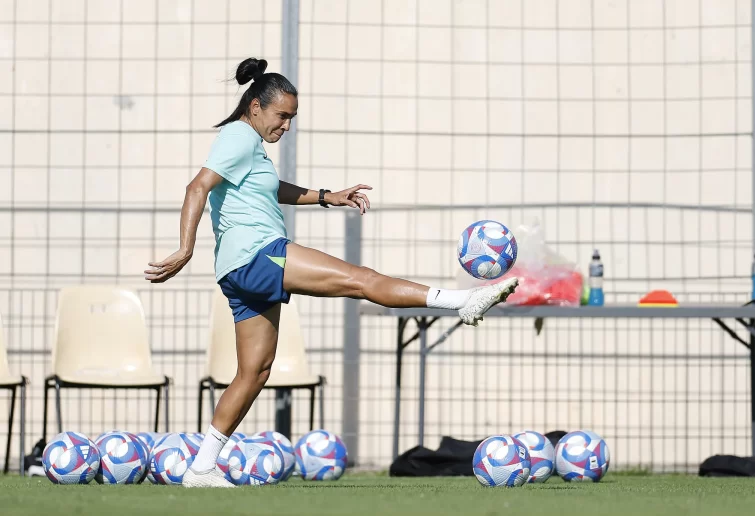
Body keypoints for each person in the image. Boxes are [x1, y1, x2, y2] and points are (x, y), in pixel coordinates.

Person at [144, 57, 518, 488]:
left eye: (292, 118)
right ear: (255, 108)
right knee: (360, 280)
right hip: (258, 255)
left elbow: (271, 188)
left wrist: (327, 196)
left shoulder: (250, 148)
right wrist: (185, 248)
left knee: (255, 371)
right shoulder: (238, 136)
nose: (286, 125)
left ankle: (201, 467)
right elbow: (197, 186)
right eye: (281, 115)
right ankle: (460, 301)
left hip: (237, 268)